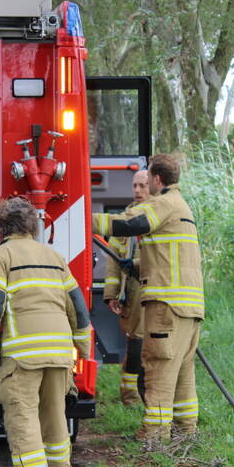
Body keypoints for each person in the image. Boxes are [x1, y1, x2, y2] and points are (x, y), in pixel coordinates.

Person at [0, 198, 91, 467]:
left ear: (2, 227)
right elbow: (77, 306)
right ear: (32, 226)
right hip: (60, 351)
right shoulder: (55, 257)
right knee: (54, 412)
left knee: (22, 415)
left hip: (23, 354)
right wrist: (82, 345)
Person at [91, 154, 203, 446]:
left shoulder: (162, 203)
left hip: (167, 304)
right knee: (182, 373)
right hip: (188, 306)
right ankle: (186, 432)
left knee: (158, 368)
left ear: (156, 179)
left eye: (147, 179)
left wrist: (83, 219)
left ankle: (153, 437)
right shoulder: (181, 205)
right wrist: (138, 268)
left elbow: (133, 223)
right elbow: (172, 257)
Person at [102, 168, 149, 405]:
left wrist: (137, 264)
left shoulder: (157, 216)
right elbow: (113, 259)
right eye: (134, 186)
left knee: (145, 345)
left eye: (143, 185)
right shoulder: (125, 218)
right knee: (134, 342)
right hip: (130, 292)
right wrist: (112, 293)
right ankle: (130, 397)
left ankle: (144, 394)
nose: (138, 190)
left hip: (152, 291)